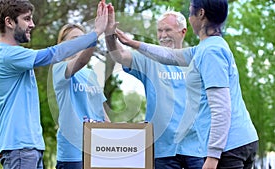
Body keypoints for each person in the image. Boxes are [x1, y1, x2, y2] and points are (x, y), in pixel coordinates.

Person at [113, 0, 259, 168]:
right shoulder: (208, 47)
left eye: (190, 13)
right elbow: (171, 56)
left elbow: (221, 107)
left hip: (229, 147)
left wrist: (212, 155)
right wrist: (134, 43)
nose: (189, 19)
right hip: (238, 142)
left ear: (201, 14)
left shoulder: (211, 52)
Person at [0, 0, 108, 168]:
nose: (32, 24)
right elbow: (52, 54)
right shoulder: (6, 55)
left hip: (28, 148)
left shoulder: (15, 56)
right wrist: (95, 33)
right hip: (19, 148)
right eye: (27, 19)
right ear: (9, 22)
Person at [105, 3, 204, 169]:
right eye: (160, 31)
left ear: (183, 32)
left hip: (196, 149)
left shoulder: (196, 59)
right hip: (161, 151)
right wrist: (109, 35)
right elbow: (120, 54)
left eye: (168, 30)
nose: (163, 35)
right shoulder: (149, 59)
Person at [52, 23, 110, 169]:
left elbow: (101, 111)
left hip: (96, 149)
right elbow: (82, 60)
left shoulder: (91, 74)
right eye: (75, 39)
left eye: (82, 39)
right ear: (62, 44)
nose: (80, 43)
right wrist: (97, 33)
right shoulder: (59, 69)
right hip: (73, 153)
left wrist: (114, 136)